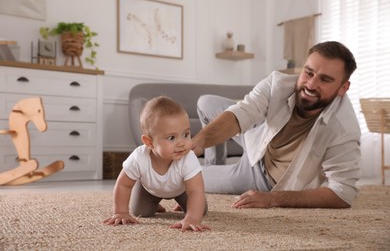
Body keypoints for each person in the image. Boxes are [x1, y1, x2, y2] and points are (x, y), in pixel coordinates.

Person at [192, 41, 361, 209]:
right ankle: (214, 165)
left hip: (263, 179)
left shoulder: (344, 129)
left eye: (325, 79)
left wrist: (273, 198)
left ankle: (214, 173)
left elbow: (343, 193)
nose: (310, 85)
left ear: (343, 88)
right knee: (206, 102)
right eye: (308, 73)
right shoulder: (277, 84)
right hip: (260, 137)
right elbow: (242, 113)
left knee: (185, 177)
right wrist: (198, 142)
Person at [104, 96, 210, 232]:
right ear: (149, 142)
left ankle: (184, 204)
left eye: (186, 134)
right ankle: (154, 202)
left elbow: (195, 190)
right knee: (140, 212)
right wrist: (121, 211)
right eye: (172, 137)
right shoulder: (139, 157)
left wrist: (192, 218)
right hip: (149, 190)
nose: (182, 143)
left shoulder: (188, 158)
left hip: (182, 190)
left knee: (200, 210)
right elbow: (123, 184)